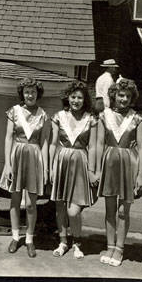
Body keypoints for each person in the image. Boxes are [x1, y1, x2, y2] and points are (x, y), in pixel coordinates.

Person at [96, 78, 142, 267]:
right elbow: (100, 143)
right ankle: (109, 245)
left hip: (129, 166)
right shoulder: (104, 115)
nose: (124, 99)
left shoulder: (137, 118)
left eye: (127, 96)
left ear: (132, 98)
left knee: (123, 212)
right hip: (108, 164)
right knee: (110, 210)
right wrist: (97, 169)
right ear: (114, 96)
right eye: (121, 95)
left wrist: (140, 174)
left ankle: (119, 249)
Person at [0, 78, 50, 258]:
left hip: (35, 156)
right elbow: (8, 138)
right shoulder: (14, 111)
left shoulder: (43, 115)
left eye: (33, 92)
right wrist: (8, 164)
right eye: (27, 92)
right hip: (17, 155)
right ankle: (15, 237)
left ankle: (29, 239)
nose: (30, 95)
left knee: (30, 203)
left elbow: (44, 143)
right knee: (15, 199)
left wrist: (45, 168)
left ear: (38, 94)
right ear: (22, 93)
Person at [49, 81, 98, 259]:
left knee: (73, 211)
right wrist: (51, 167)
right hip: (61, 163)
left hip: (80, 164)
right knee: (60, 206)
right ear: (67, 98)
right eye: (73, 97)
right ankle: (63, 242)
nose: (76, 100)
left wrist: (92, 170)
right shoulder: (58, 116)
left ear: (85, 100)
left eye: (80, 97)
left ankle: (77, 242)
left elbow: (92, 146)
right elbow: (53, 143)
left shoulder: (90, 119)